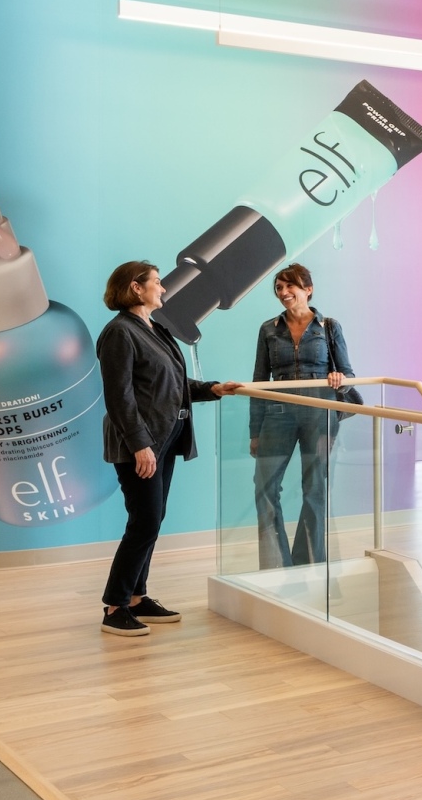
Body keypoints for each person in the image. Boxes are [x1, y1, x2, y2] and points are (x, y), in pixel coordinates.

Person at [97, 261, 241, 637]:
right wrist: (139, 445)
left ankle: (136, 597)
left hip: (166, 439)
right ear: (136, 288)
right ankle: (115, 605)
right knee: (144, 520)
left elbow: (172, 383)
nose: (163, 289)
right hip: (141, 443)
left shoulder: (156, 330)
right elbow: (119, 396)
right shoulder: (118, 333)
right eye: (157, 283)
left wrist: (211, 389)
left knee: (153, 519)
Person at [250, 263, 353, 570]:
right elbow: (258, 380)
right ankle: (276, 565)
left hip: (319, 414)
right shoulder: (268, 329)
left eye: (289, 286)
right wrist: (254, 430)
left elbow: (348, 372)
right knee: (264, 487)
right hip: (277, 413)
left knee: (316, 487)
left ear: (308, 289)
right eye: (278, 288)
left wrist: (338, 377)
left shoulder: (330, 327)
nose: (283, 293)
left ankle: (310, 564)